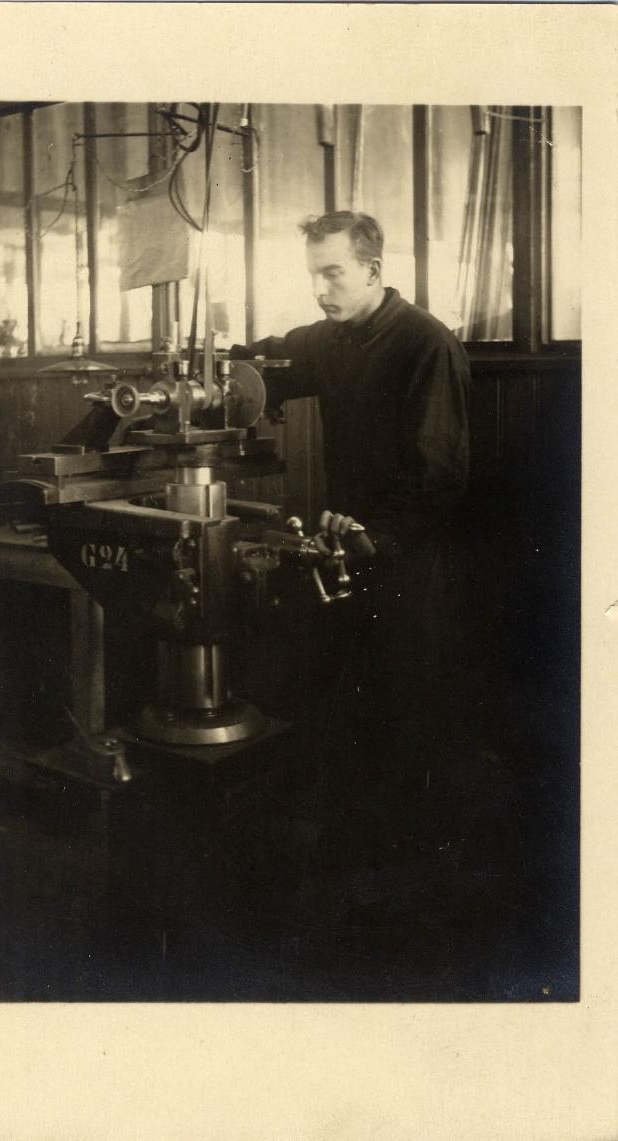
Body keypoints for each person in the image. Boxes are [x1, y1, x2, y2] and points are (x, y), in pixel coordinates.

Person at [231, 211, 471, 874]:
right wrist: (228, 369)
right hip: (348, 555)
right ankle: (351, 857)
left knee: (403, 708)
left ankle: (402, 876)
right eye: (314, 274)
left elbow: (439, 475)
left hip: (409, 558)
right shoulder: (329, 339)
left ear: (372, 269)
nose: (321, 288)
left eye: (333, 272)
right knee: (352, 707)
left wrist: (379, 537)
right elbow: (271, 360)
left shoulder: (426, 344)